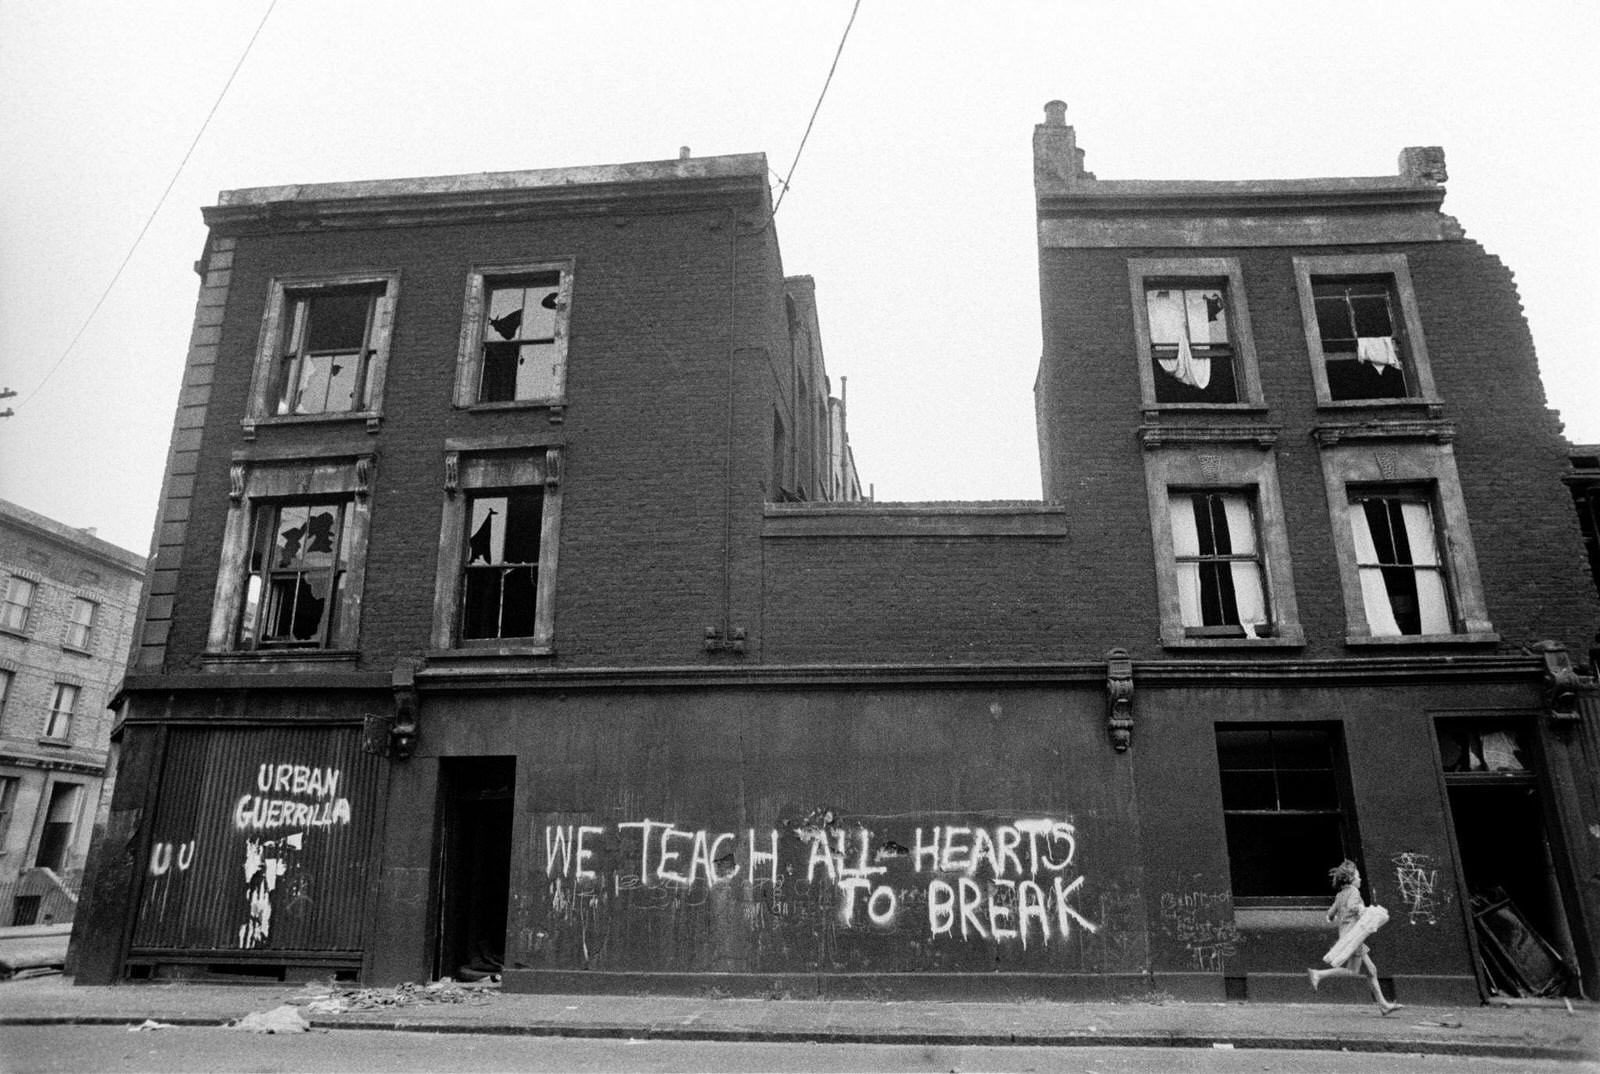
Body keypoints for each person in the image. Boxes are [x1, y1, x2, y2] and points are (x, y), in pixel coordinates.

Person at [1307, 859, 1403, 1015]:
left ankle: (1384, 1005)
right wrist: (1361, 909)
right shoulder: (1354, 891)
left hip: (1347, 936)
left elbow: (1330, 913)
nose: (1360, 879)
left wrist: (1333, 917)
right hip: (1353, 937)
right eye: (1358, 876)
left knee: (1371, 970)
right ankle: (1318, 974)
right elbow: (1353, 907)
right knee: (1354, 970)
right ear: (1351, 879)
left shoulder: (1340, 895)